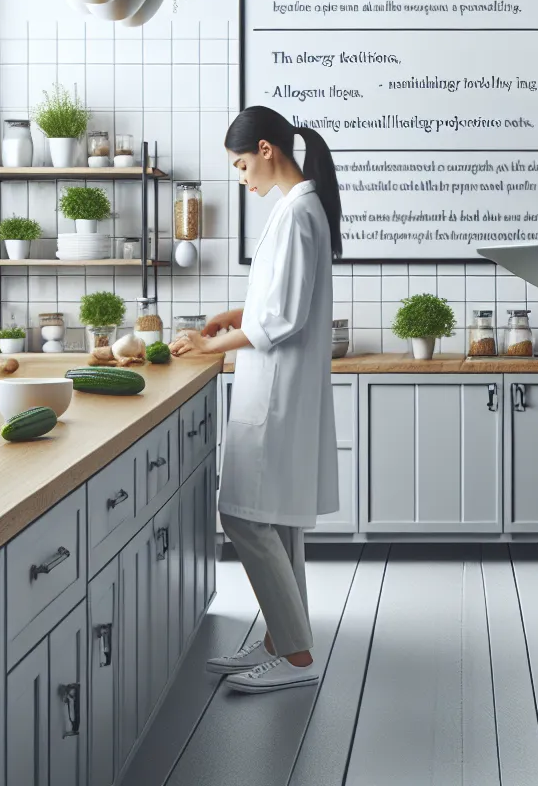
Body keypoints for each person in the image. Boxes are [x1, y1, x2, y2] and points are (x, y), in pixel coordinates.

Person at [187, 105, 342, 695]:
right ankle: (283, 639)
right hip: (274, 386)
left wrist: (211, 348)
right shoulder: (295, 209)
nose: (241, 176)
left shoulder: (299, 212)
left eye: (241, 163)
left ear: (267, 150)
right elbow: (274, 302)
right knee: (276, 520)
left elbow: (282, 318)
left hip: (276, 389)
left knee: (245, 516)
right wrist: (233, 316)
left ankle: (298, 656)